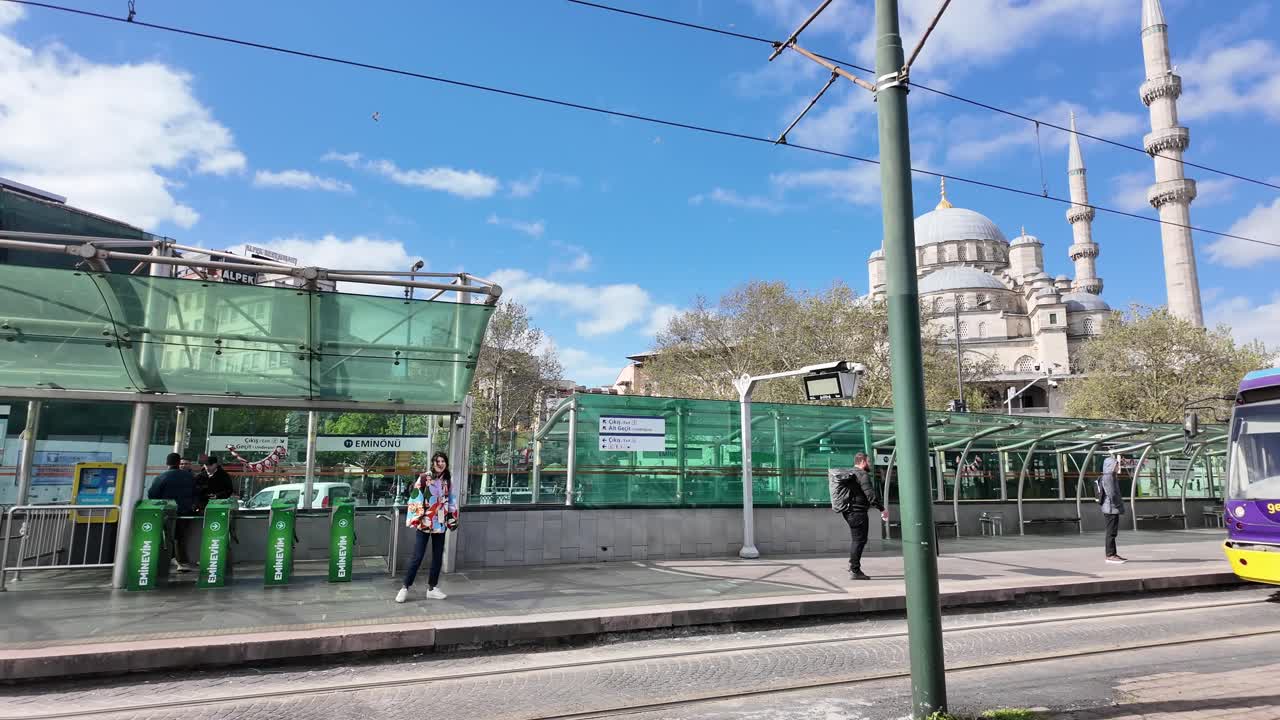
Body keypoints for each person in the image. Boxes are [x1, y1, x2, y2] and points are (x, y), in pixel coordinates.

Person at [396, 452, 459, 602]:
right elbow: (416, 496)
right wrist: (416, 518)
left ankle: (432, 588)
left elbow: (451, 500)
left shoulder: (447, 480)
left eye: (443, 461)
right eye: (438, 461)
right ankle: (405, 588)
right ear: (433, 463)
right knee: (417, 556)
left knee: (438, 557)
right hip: (425, 522)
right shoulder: (425, 477)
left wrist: (452, 519)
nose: (440, 463)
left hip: (440, 523)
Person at [832, 452, 888, 581]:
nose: (871, 464)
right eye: (869, 461)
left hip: (848, 511)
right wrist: (882, 509)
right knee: (859, 540)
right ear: (862, 461)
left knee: (858, 539)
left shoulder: (851, 473)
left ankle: (853, 565)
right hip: (857, 512)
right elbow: (870, 494)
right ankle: (855, 569)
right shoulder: (862, 474)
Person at [148, 452, 198, 571]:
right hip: (185, 512)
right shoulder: (189, 477)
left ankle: (166, 560)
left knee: (167, 536)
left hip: (167, 512)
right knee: (180, 537)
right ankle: (181, 562)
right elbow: (196, 493)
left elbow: (152, 494)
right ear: (178, 463)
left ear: (167, 463)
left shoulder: (162, 477)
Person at [1100, 455, 1127, 563]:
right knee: (1111, 532)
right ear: (1110, 466)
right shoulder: (1108, 477)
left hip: (1111, 507)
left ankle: (1113, 553)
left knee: (1112, 532)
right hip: (1110, 508)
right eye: (1116, 465)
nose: (1118, 467)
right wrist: (1118, 504)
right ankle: (1110, 555)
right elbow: (1112, 494)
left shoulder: (1111, 476)